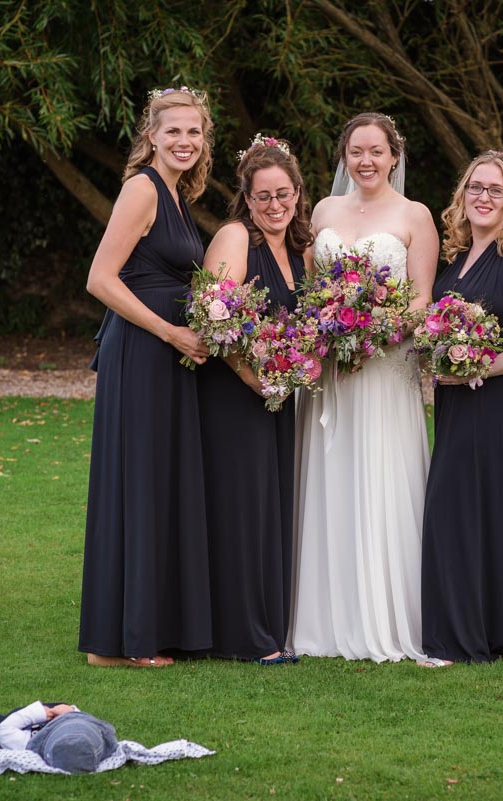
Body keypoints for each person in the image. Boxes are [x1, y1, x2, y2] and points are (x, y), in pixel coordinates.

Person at [289, 112, 439, 663]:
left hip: (383, 366)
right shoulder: (324, 211)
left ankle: (384, 615)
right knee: (329, 476)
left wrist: (373, 332)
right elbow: (310, 289)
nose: (367, 161)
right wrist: (330, 333)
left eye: (377, 151)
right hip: (331, 371)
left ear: (394, 156)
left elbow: (422, 297)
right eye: (356, 151)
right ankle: (322, 619)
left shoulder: (415, 216)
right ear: (344, 156)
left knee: (380, 474)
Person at [78, 86, 214, 668]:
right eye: (174, 131)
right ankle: (128, 644)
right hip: (142, 352)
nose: (184, 141)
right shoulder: (142, 189)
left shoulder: (179, 195)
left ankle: (121, 639)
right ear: (151, 136)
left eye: (194, 132)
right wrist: (170, 331)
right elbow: (101, 280)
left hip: (165, 356)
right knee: (139, 486)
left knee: (152, 485)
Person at [419, 152, 503, 666]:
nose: (483, 197)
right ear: (462, 194)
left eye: (496, 190)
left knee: (482, 513)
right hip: (459, 403)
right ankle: (470, 630)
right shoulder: (457, 258)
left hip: (499, 404)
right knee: (458, 513)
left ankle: (469, 637)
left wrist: (481, 368)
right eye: (476, 187)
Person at [197, 135, 312, 664]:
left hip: (278, 396)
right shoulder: (235, 238)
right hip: (236, 395)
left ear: (297, 194)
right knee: (242, 509)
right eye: (263, 196)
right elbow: (213, 319)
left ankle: (270, 629)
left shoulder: (297, 251)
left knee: (272, 509)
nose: (274, 205)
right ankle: (244, 638)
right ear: (246, 197)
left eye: (283, 194)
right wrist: (253, 378)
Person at [0, 701, 118, 774]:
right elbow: (90, 724)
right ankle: (64, 711)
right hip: (58, 714)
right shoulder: (99, 743)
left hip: (25, 726)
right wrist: (72, 711)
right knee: (62, 705)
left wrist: (37, 713)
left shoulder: (27, 746)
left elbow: (3, 729)